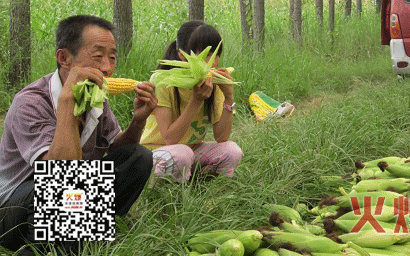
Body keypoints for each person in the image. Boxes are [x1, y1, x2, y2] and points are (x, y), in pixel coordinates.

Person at [0, 15, 158, 255]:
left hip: (72, 197)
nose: (107, 67)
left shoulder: (96, 99)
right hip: (16, 205)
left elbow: (114, 151)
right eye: (97, 56)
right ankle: (59, 241)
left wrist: (139, 120)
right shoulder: (30, 102)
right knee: (59, 189)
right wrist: (67, 104)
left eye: (112, 57)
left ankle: (79, 233)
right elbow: (61, 176)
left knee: (137, 156)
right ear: (64, 58)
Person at [140, 21, 243, 184]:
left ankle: (200, 181)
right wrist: (196, 101)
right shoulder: (162, 81)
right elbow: (170, 139)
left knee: (232, 151)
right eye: (206, 54)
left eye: (216, 54)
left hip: (192, 150)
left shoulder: (212, 85)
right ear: (182, 55)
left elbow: (222, 137)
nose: (214, 62)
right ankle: (162, 184)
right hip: (157, 151)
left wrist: (229, 98)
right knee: (182, 154)